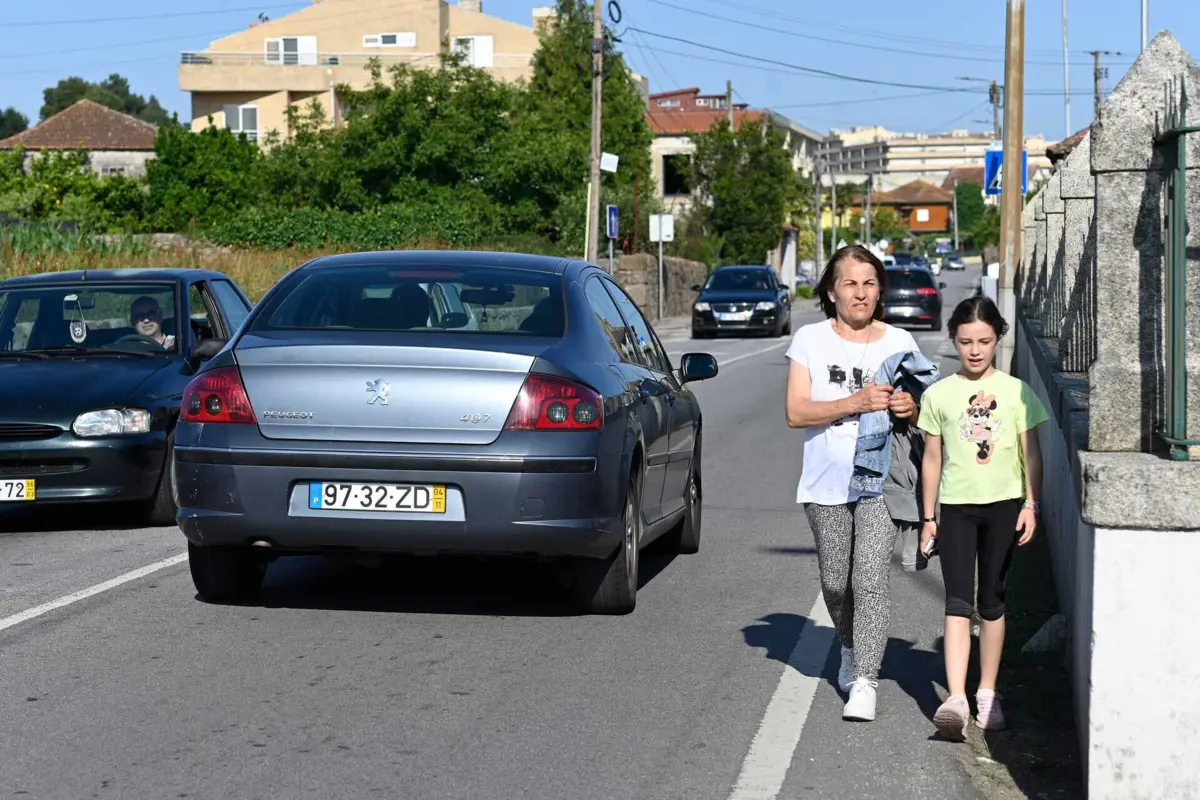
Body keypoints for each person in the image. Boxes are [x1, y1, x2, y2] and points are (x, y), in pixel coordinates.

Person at [784, 245, 921, 722]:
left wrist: (910, 408)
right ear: (831, 290)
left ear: (879, 290)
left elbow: (924, 407)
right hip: (825, 482)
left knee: (869, 578)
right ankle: (847, 645)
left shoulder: (901, 340)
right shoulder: (809, 340)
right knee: (836, 584)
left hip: (882, 482)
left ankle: (866, 677)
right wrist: (855, 403)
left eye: (868, 283)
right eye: (850, 283)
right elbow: (796, 412)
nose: (860, 293)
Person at [916, 295, 1047, 740]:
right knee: (957, 600)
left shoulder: (1016, 392)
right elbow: (931, 458)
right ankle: (955, 697)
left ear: (998, 340)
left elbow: (1032, 452)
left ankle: (987, 691)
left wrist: (1032, 504)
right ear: (954, 339)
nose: (974, 350)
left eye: (984, 341)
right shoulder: (937, 394)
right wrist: (928, 517)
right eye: (966, 341)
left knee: (992, 600)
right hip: (955, 509)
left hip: (1005, 506)